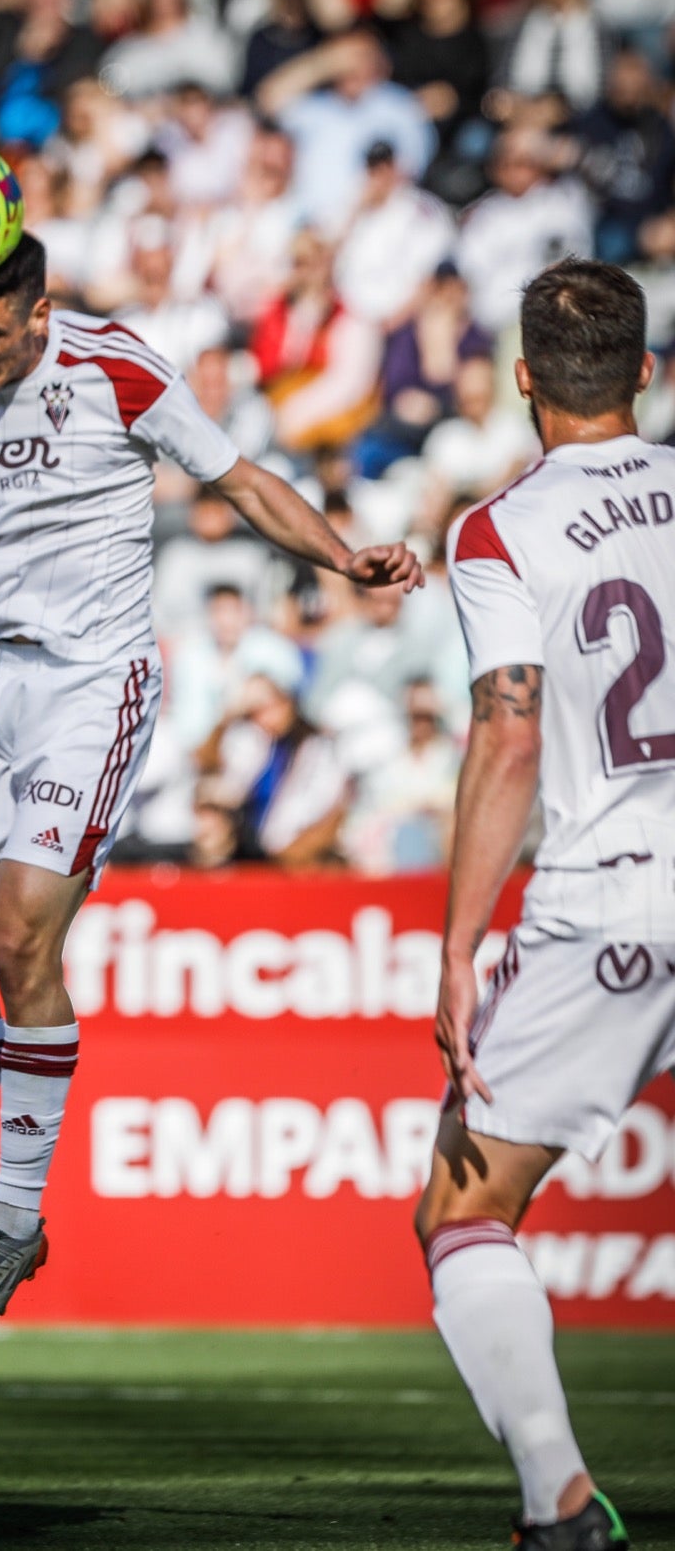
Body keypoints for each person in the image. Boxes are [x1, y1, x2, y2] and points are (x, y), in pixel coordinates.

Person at [0, 234, 421, 1338]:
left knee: (23, 935)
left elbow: (241, 478)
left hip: (90, 682)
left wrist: (342, 556)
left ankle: (17, 1220)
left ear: (39, 314)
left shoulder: (115, 365)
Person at [419, 259, 672, 1550]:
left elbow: (508, 736)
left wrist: (460, 943)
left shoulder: (498, 529)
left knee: (463, 1210)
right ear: (647, 369)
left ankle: (557, 1502)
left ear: (522, 377)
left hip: (612, 897)